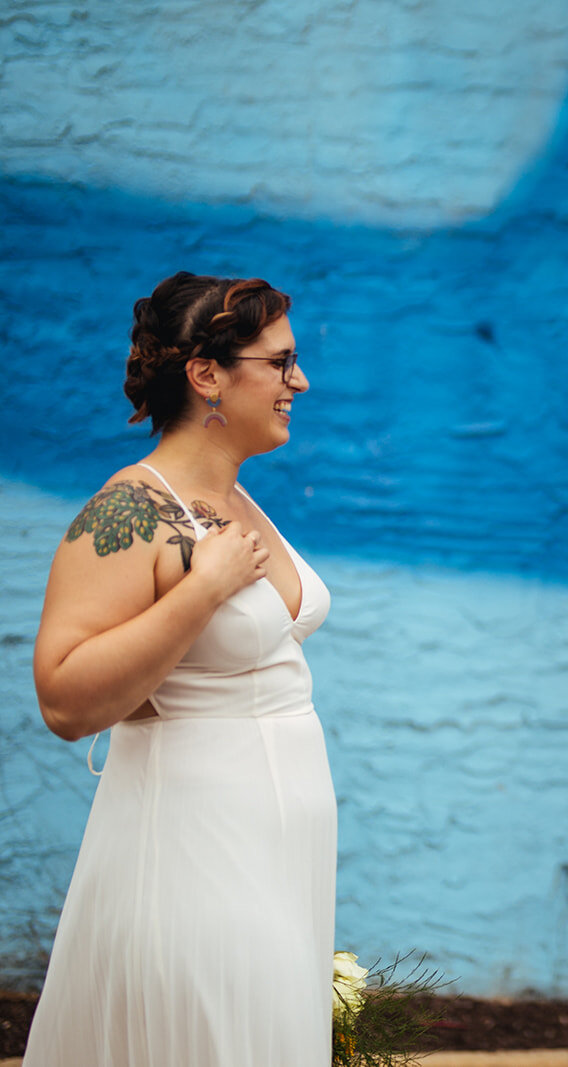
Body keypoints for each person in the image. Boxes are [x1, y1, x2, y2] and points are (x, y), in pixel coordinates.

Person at [24, 272, 335, 1066]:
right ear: (207, 374)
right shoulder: (130, 507)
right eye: (280, 362)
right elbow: (63, 696)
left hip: (282, 850)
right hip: (195, 851)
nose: (299, 380)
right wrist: (201, 592)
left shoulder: (236, 496)